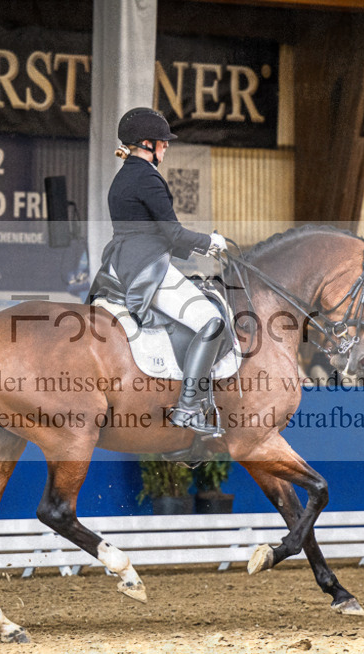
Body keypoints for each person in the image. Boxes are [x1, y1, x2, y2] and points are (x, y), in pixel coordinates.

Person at [91, 107, 228, 434]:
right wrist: (211, 242)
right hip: (146, 268)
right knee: (212, 322)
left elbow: (152, 232)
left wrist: (188, 244)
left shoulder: (123, 176)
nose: (166, 148)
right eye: (163, 143)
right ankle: (189, 408)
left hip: (119, 263)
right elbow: (174, 234)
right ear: (147, 144)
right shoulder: (149, 177)